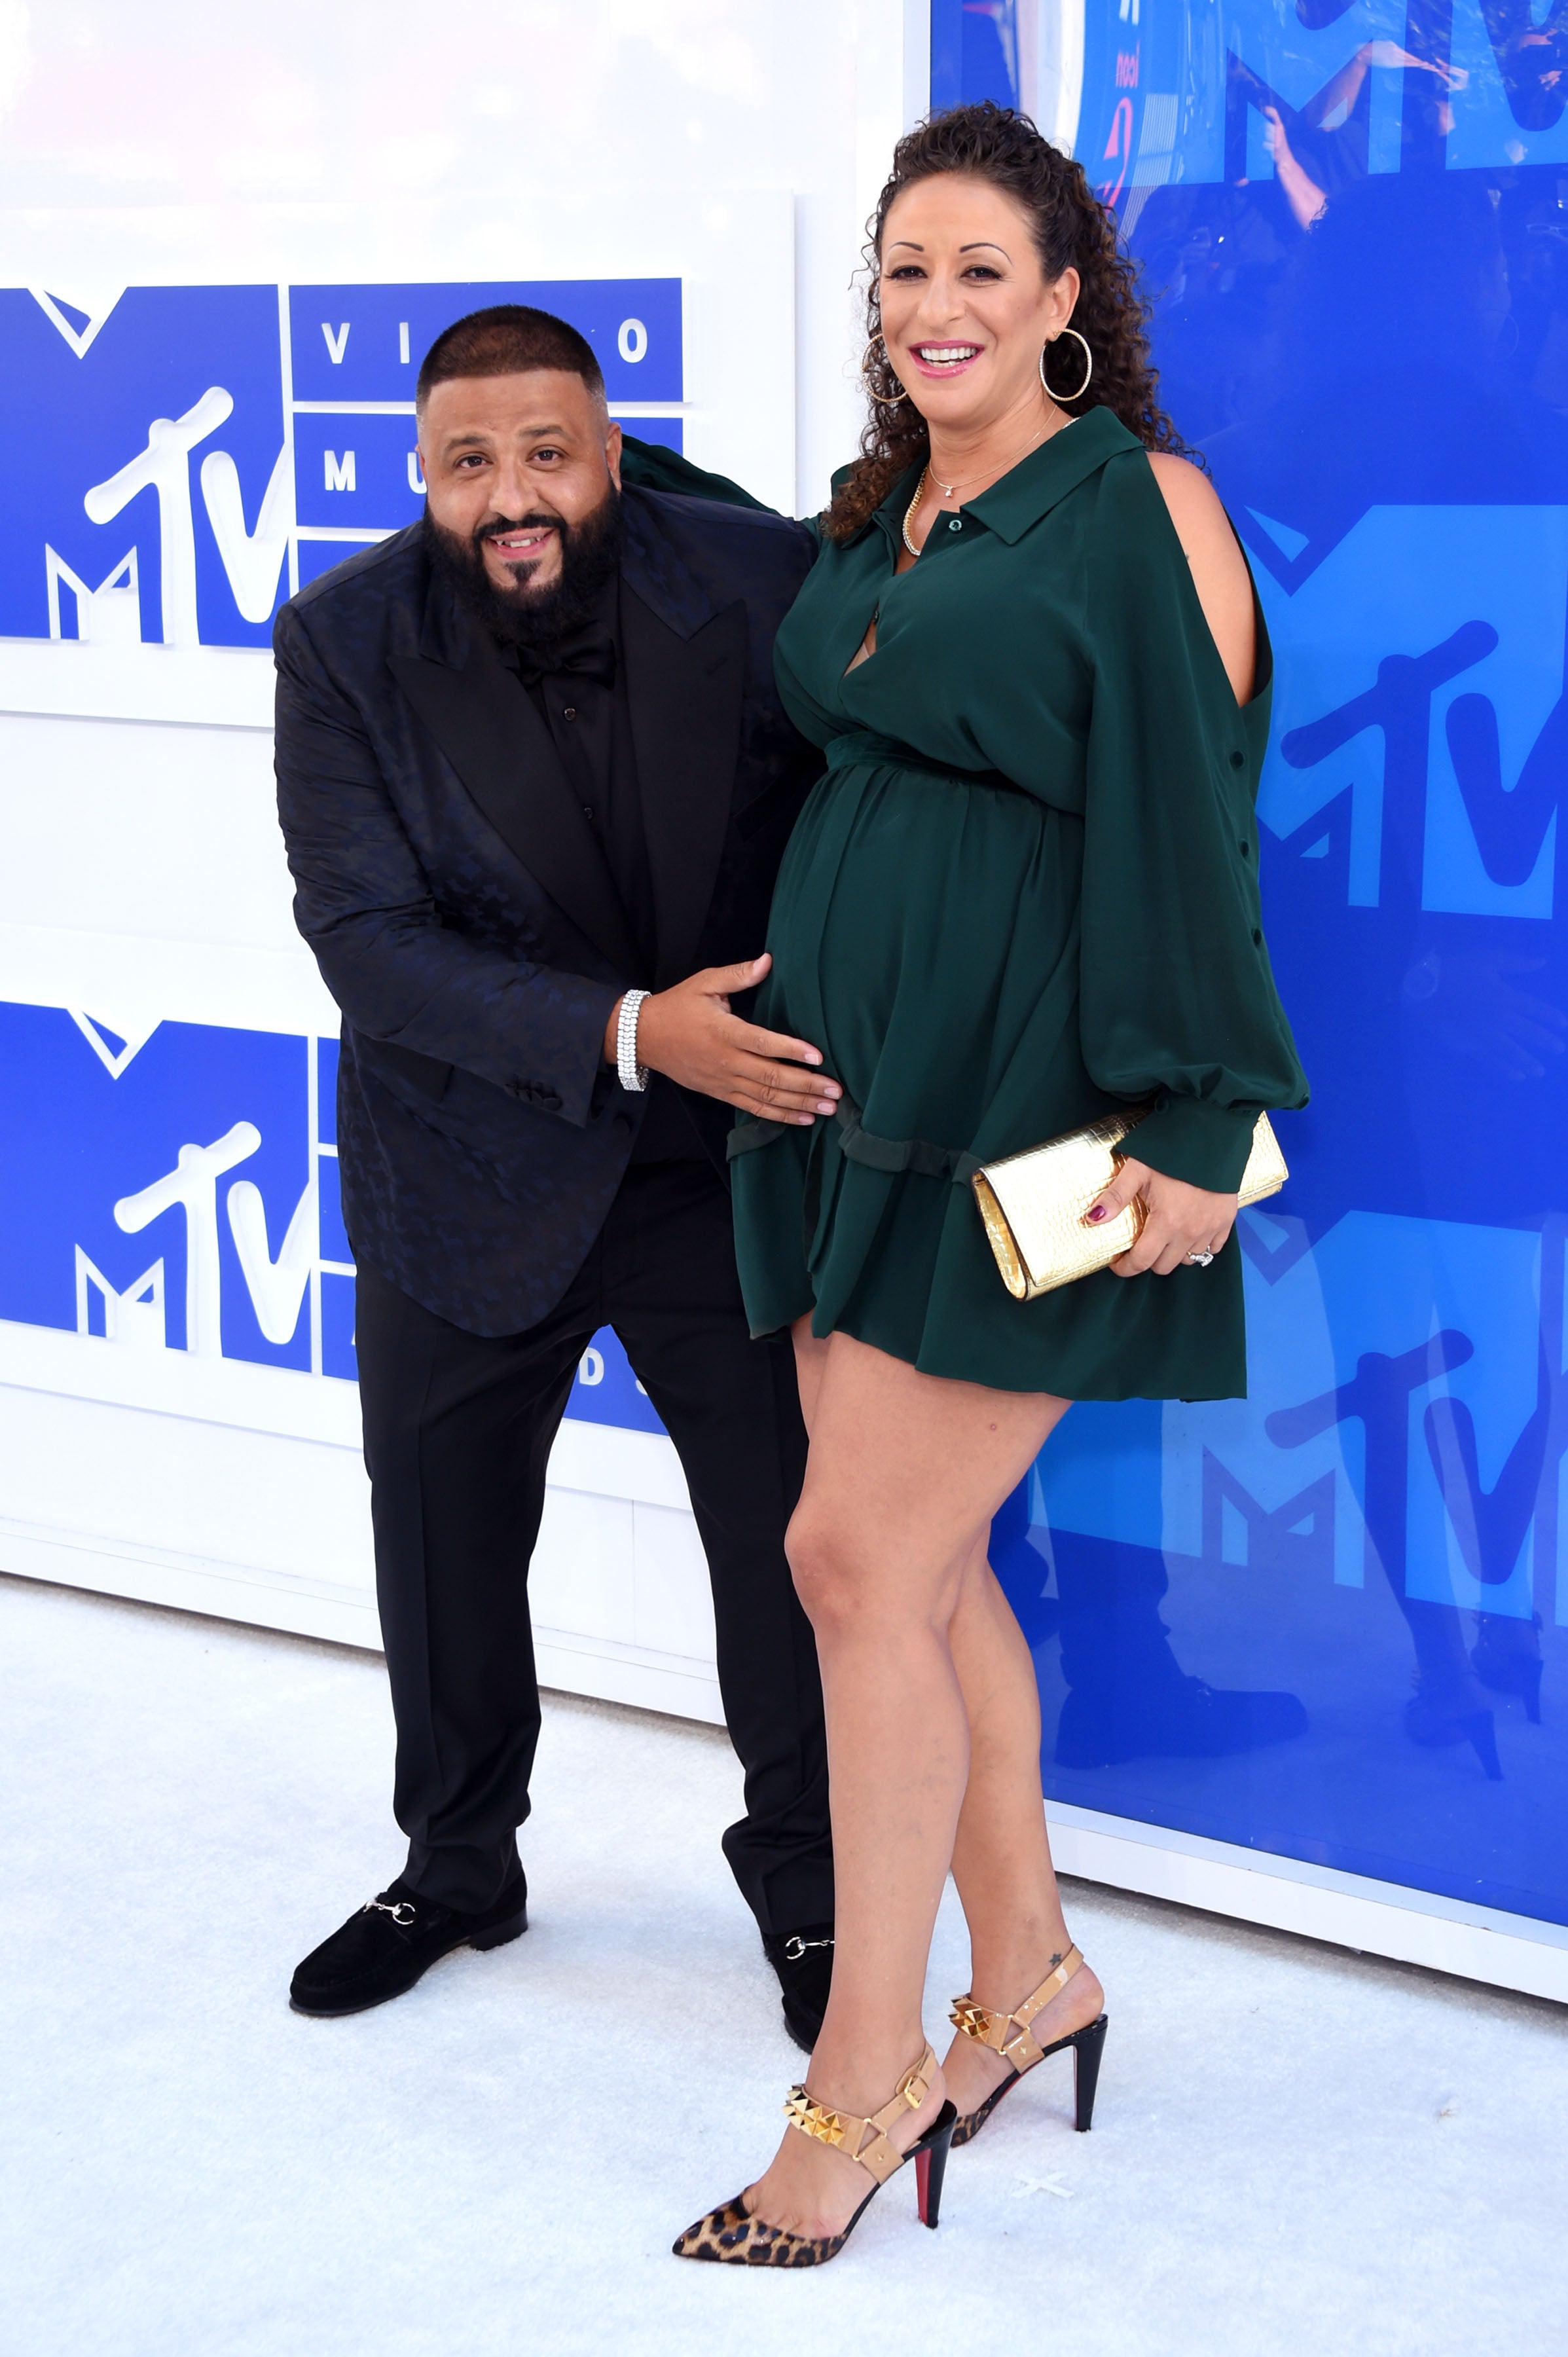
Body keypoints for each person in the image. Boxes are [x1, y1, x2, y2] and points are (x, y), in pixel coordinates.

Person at [672, 103, 1307, 2267]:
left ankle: (862, 2083)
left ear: (1061, 303)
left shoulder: (1136, 505)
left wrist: (1205, 1122)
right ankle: (1031, 1978)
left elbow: (1194, 805)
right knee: (918, 1577)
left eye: (974, 269)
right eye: (899, 270)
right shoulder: (886, 516)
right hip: (861, 1106)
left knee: (847, 1560)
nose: (929, 306)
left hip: (1037, 1119)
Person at [273, 304, 845, 2049]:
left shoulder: (754, 578)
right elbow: (364, 943)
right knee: (441, 1548)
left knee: (785, 1555)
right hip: (464, 1162)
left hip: (717, 1163)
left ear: (611, 447)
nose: (508, 494)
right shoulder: (342, 637)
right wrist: (623, 1030)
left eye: (543, 452)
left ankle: (816, 1896)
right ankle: (456, 1867)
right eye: (466, 462)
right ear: (422, 477)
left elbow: (867, 818)